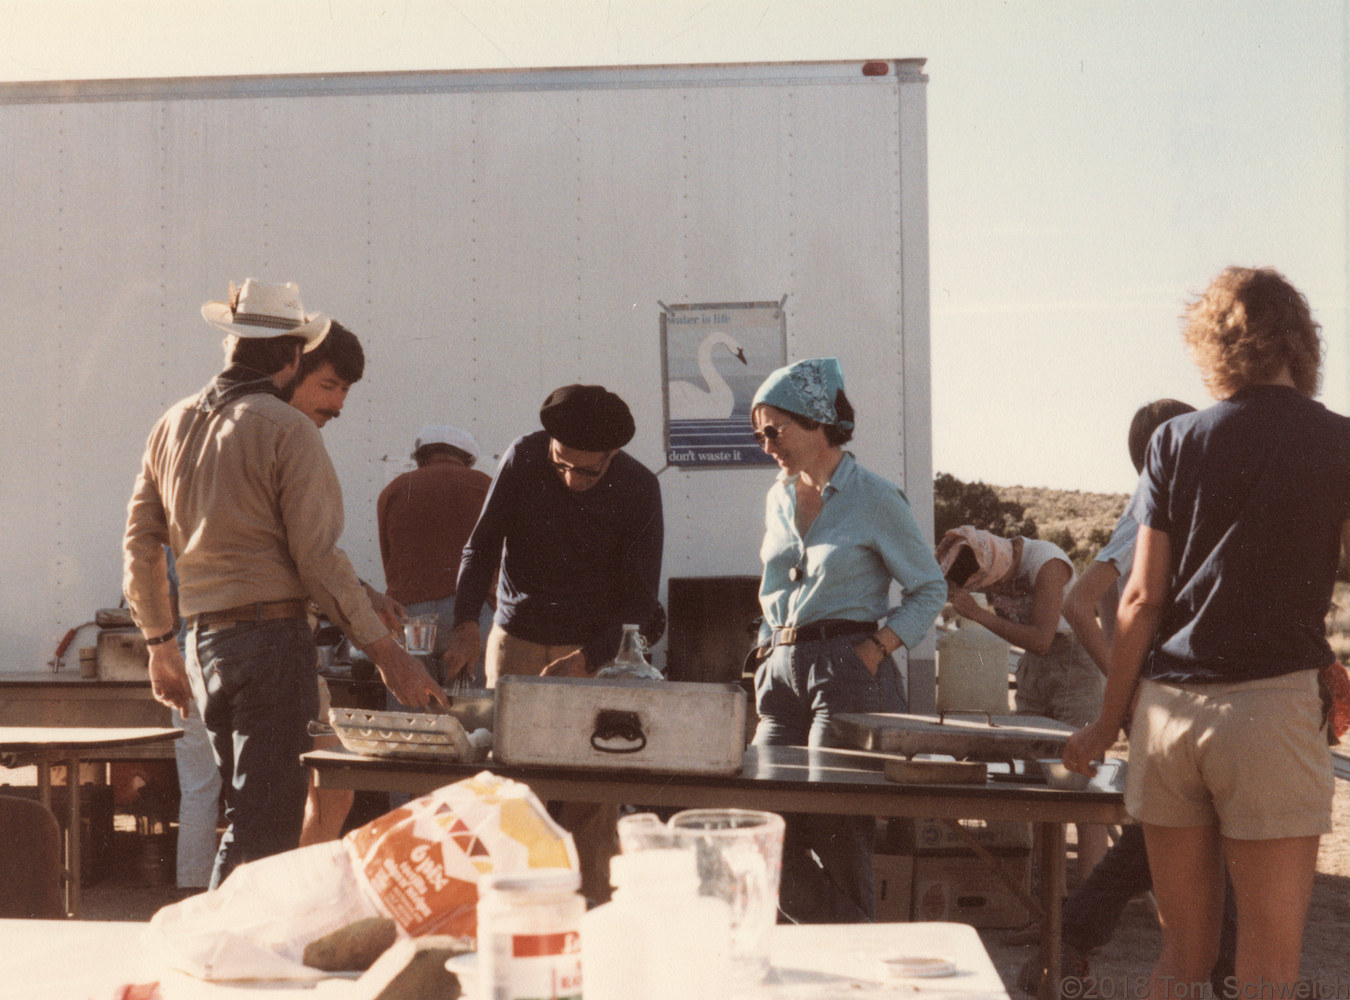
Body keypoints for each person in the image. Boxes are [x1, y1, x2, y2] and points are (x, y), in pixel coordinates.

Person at [1064, 267, 1343, 996]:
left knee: (1180, 958)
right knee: (1267, 965)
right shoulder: (1339, 442)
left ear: (1215, 347)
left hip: (1168, 716)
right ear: (1301, 343)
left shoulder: (1175, 440)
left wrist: (1105, 723)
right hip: (1271, 712)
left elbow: (1139, 600)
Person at [123, 278, 448, 888]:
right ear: (296, 354)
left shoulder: (171, 424)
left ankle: (222, 947)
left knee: (248, 818)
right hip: (271, 645)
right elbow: (316, 558)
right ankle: (223, 957)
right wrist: (389, 656)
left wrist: (159, 644)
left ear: (231, 342)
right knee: (264, 829)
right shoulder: (283, 428)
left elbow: (141, 543)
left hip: (204, 646)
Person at [1015, 398, 1238, 991]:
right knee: (1205, 844)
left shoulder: (1182, 510)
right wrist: (1129, 688)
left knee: (1169, 842)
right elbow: (1078, 601)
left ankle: (1068, 941)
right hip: (1170, 699)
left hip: (1178, 703)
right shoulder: (1148, 512)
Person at [443, 383, 663, 902]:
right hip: (515, 641)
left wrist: (590, 657)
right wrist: (464, 622)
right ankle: (506, 911)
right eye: (561, 463)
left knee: (593, 795)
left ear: (614, 456)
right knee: (510, 790)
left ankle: (593, 919)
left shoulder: (638, 487)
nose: (570, 479)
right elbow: (481, 545)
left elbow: (640, 598)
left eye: (588, 471)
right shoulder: (523, 456)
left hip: (591, 653)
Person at [747, 357, 946, 923]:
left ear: (816, 422)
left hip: (848, 670)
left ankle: (850, 963)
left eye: (773, 430)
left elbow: (930, 588)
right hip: (781, 671)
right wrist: (767, 650)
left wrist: (875, 649)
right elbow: (771, 587)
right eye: (758, 432)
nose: (765, 445)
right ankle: (835, 944)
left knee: (838, 834)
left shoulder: (876, 497)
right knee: (764, 827)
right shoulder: (777, 498)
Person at [936, 525, 1109, 874]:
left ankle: (1089, 897)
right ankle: (1049, 897)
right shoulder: (988, 563)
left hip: (1075, 662)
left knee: (1081, 782)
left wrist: (979, 614)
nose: (993, 591)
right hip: (1036, 668)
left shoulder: (1046, 563)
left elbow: (1043, 638)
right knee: (1037, 783)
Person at [377, 424, 493, 692]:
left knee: (412, 707)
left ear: (420, 459)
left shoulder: (394, 489)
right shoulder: (484, 485)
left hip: (409, 614)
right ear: (467, 459)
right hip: (472, 613)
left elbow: (389, 557)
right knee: (473, 714)